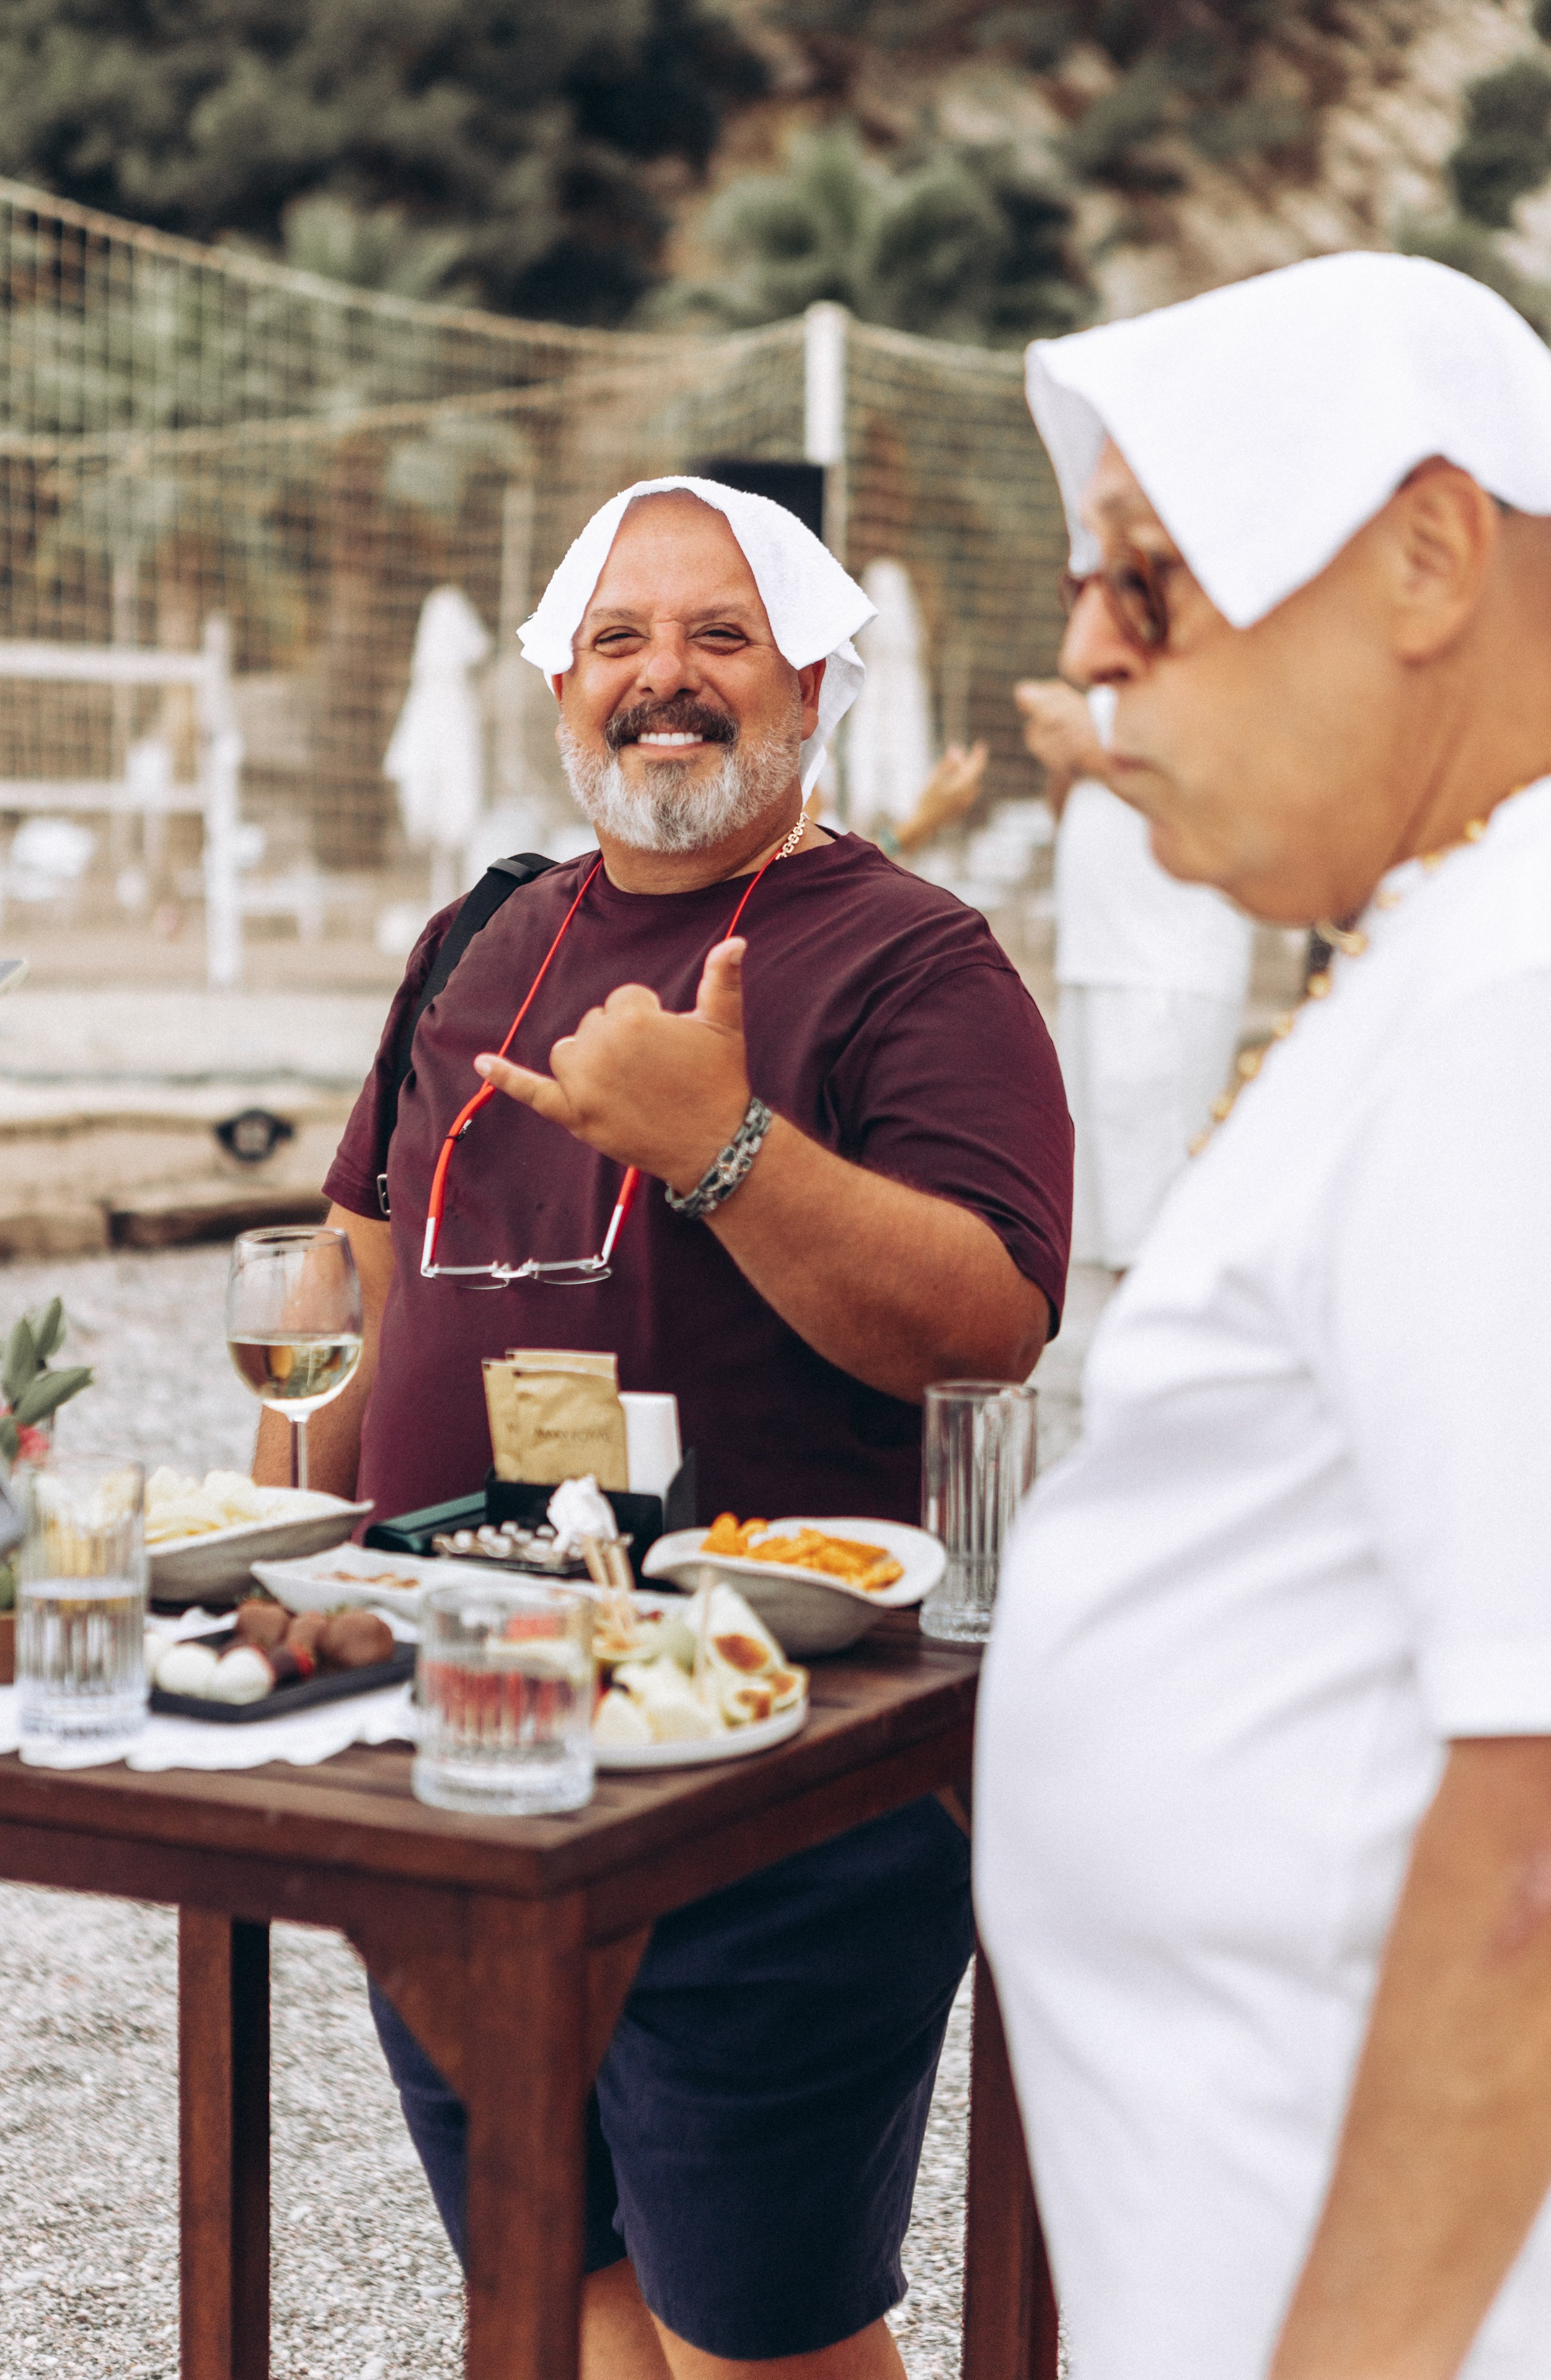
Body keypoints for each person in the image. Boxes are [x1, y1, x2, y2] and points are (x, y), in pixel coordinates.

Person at [261, 474, 1072, 2378]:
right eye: (616, 639)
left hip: (763, 1758)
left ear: (809, 682)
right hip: (455, 1720)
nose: (664, 680)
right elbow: (356, 1261)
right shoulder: (477, 933)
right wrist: (273, 1560)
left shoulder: (912, 959)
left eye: (719, 637)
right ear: (557, 685)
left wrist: (718, 1146)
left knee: (758, 2330)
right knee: (556, 2281)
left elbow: (989, 1322)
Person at [974, 250, 1551, 2380]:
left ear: (1429, 555)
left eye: (1146, 582)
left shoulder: (1531, 983)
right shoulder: (1474, 941)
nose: (1088, 655)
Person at [1015, 674, 1252, 1269]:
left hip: (1167, 971)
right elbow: (1067, 807)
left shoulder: (1220, 658)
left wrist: (1091, 748)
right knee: (1110, 1236)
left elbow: (1232, 782)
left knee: (1159, 1240)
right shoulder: (1110, 683)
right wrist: (1071, 756)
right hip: (1098, 962)